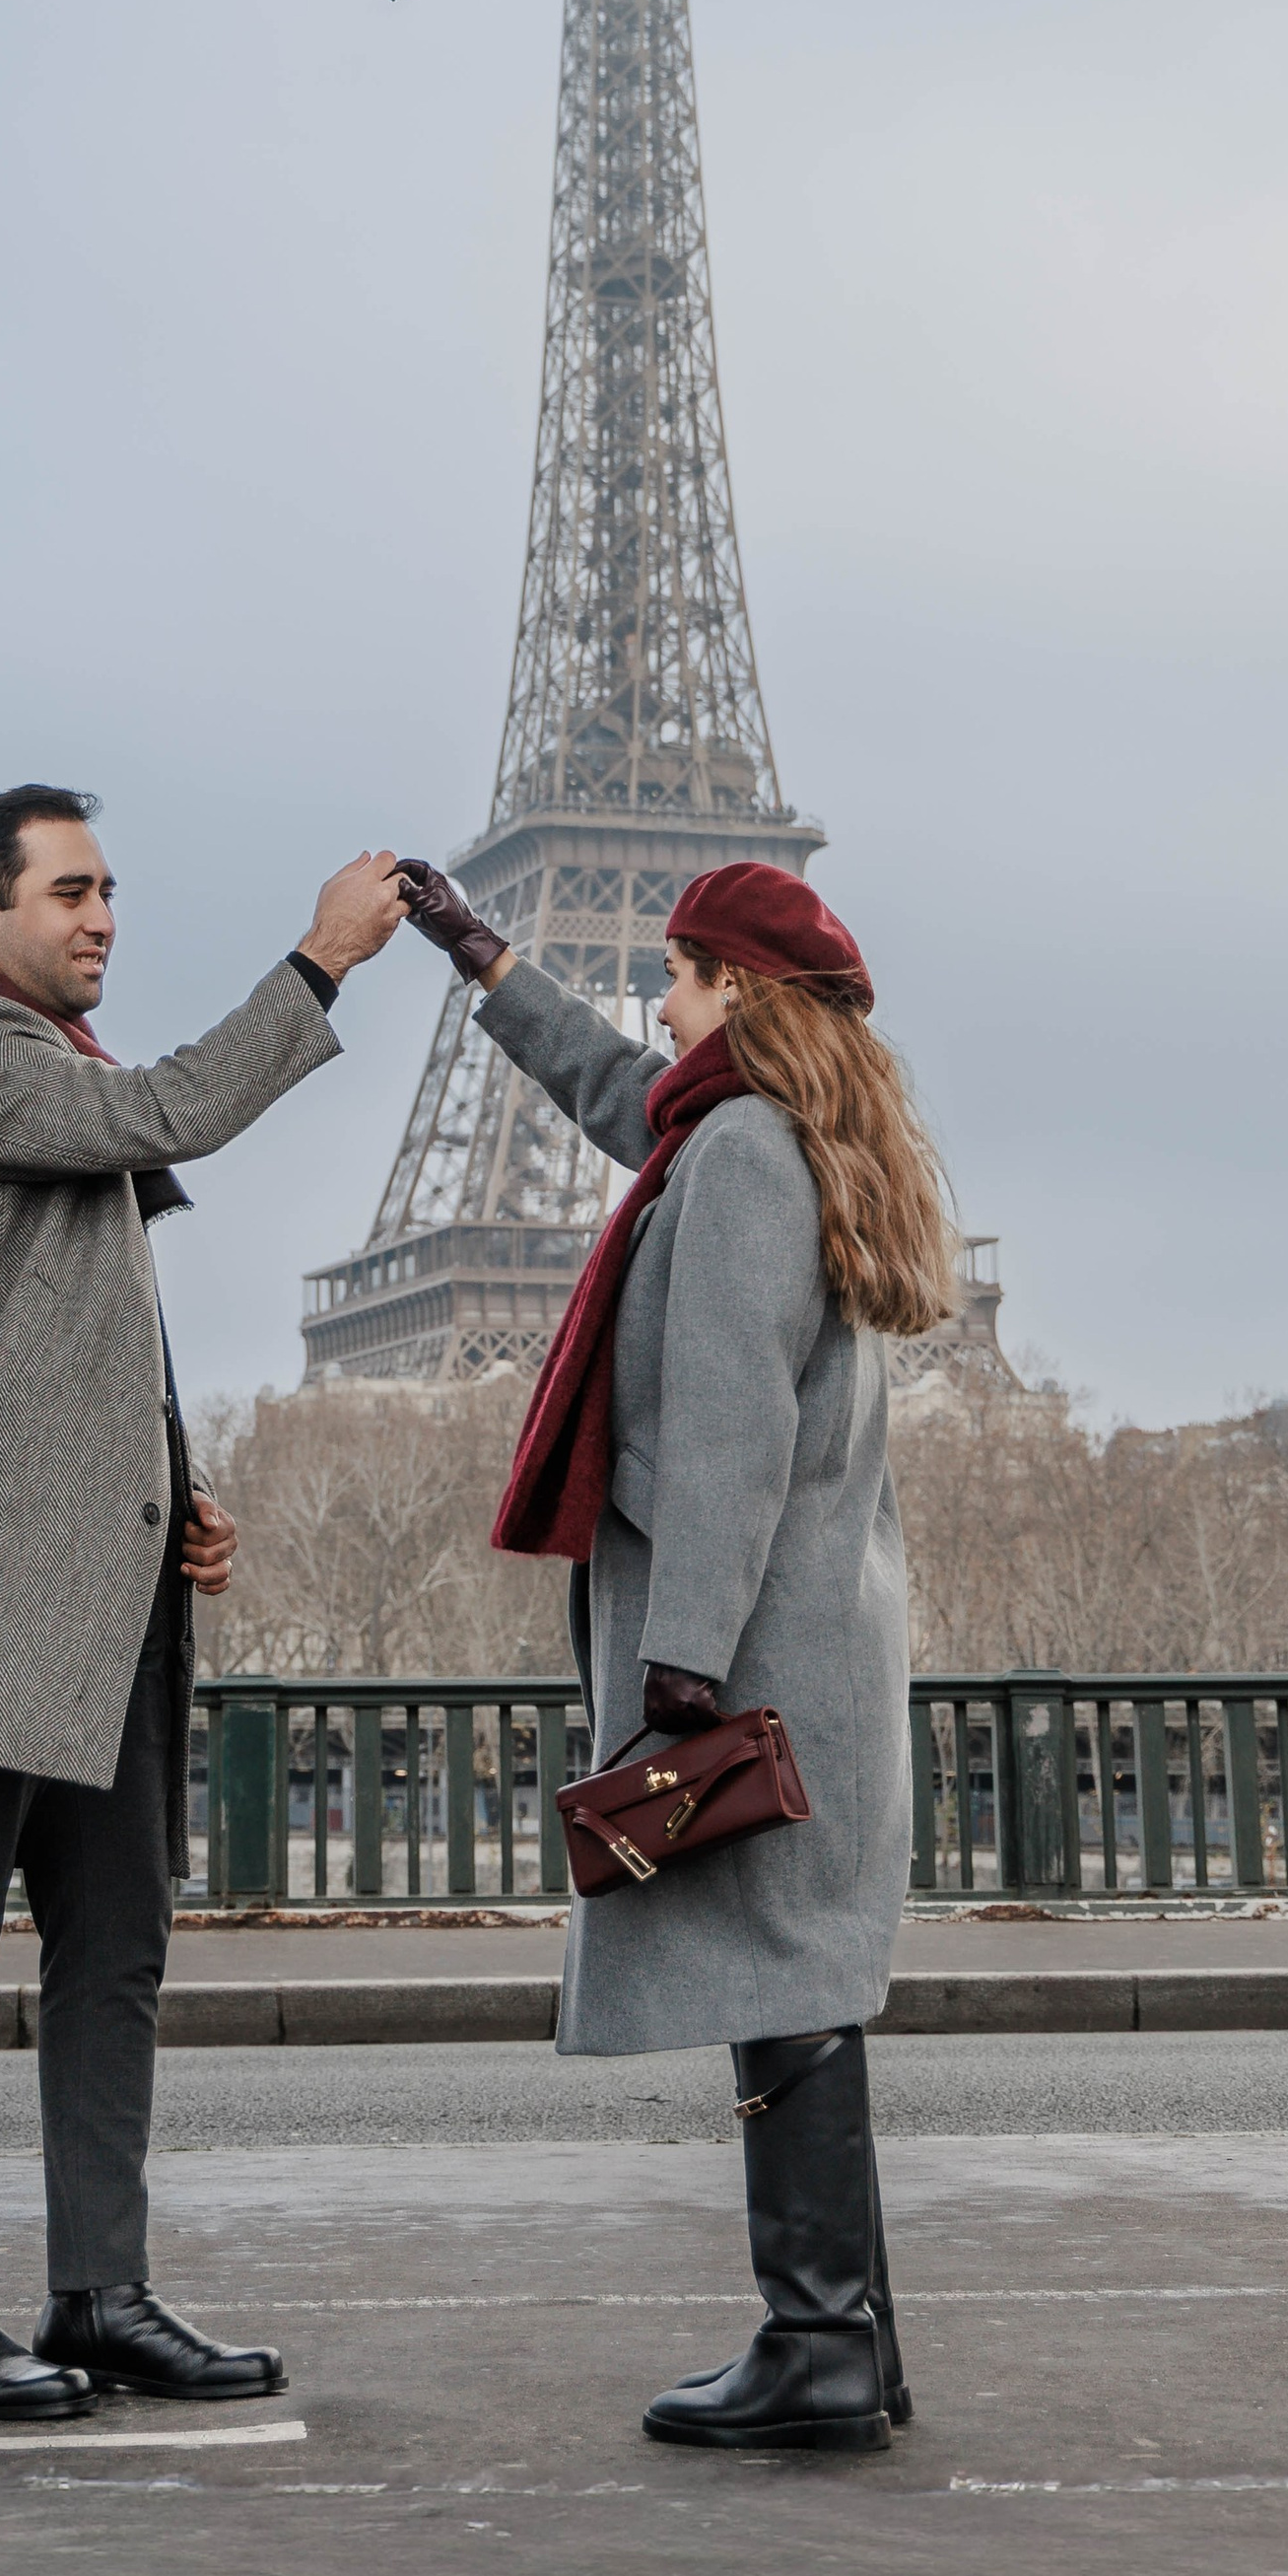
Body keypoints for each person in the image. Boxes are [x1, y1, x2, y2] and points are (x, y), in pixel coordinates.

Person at [0, 785, 407, 2422]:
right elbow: (176, 1109)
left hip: (100, 1593)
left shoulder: (50, 1076)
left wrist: (170, 1497)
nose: (102, 918)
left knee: (115, 1954)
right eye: (69, 891)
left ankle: (99, 2295)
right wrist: (320, 962)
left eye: (109, 891)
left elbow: (68, 1343)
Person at [397, 853, 954, 2453]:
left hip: (757, 1652)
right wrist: (490, 965)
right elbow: (617, 1090)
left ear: (744, 997)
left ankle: (818, 2343)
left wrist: (681, 1671)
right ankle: (849, 2335)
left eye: (684, 976)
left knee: (784, 1984)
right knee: (803, 1984)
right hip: (817, 1640)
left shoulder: (745, 1163)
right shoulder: (780, 1138)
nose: (662, 999)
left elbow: (724, 1432)